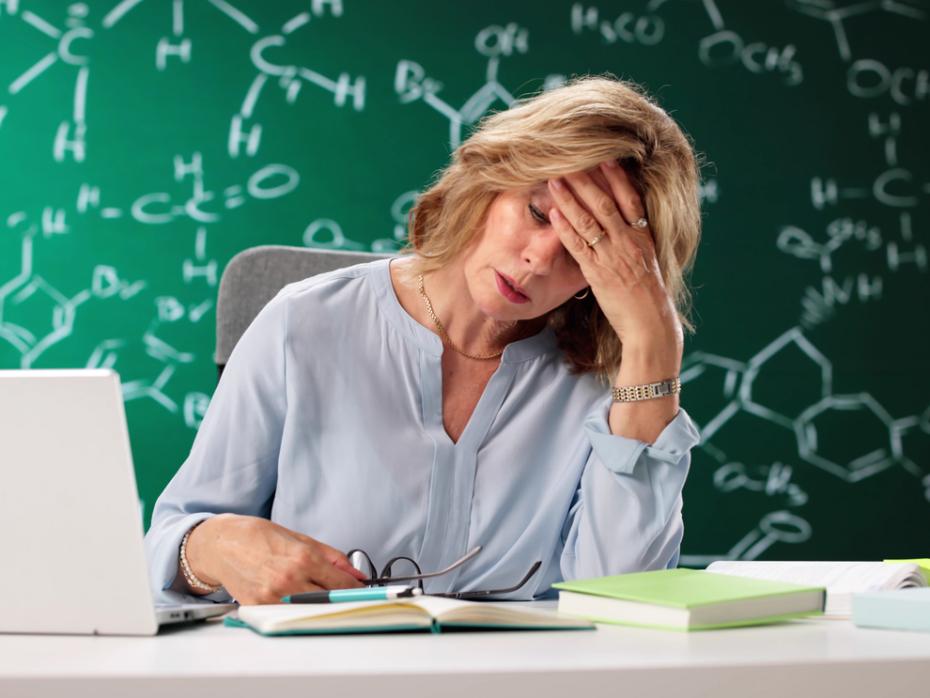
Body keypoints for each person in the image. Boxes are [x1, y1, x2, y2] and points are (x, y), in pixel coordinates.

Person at [144, 75, 703, 605]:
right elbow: (163, 549)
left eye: (587, 249)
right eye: (537, 213)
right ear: (493, 179)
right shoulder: (302, 323)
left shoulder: (617, 389)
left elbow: (626, 600)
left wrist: (654, 344)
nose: (539, 259)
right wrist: (216, 547)